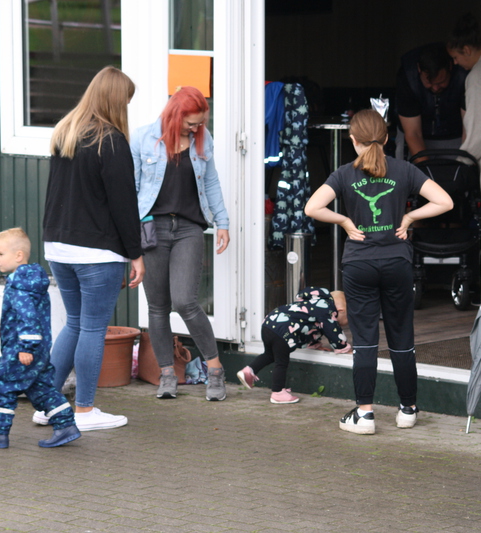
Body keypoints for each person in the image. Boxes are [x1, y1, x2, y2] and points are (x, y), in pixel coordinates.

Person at [304, 110, 453, 435]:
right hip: (397, 263)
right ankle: (407, 410)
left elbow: (312, 207)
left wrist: (345, 221)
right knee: (402, 337)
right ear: (386, 138)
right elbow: (445, 201)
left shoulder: (344, 174)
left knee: (366, 341)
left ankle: (365, 414)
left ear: (353, 140)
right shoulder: (404, 169)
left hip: (359, 265)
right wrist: (409, 218)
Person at [35, 66, 144, 432]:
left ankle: (47, 406)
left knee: (75, 323)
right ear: (116, 100)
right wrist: (136, 253)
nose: (126, 108)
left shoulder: (65, 133)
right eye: (126, 101)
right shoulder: (111, 141)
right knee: (93, 328)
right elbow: (124, 205)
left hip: (58, 247)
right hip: (97, 251)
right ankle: (83, 410)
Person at [131, 86, 230, 401]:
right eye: (191, 123)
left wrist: (222, 222)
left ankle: (215, 370)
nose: (196, 128)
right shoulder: (142, 138)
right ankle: (166, 374)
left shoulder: (203, 138)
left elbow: (210, 181)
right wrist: (129, 238)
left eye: (200, 123)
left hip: (188, 227)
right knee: (157, 306)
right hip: (152, 227)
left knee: (185, 301)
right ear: (174, 115)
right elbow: (132, 189)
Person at [0, 228, 80, 449]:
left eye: (0, 254)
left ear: (18, 255)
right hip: (37, 347)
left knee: (2, 385)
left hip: (21, 349)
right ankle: (66, 426)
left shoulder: (20, 284)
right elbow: (26, 315)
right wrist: (3, 326)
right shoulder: (29, 281)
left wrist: (26, 346)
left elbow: (29, 318)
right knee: (40, 388)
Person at [237, 287, 351, 404]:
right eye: (348, 318)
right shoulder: (328, 310)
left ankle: (249, 370)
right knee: (281, 362)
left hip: (268, 324)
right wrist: (343, 347)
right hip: (283, 330)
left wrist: (315, 345)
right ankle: (278, 392)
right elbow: (332, 331)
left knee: (269, 354)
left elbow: (311, 328)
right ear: (341, 310)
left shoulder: (313, 303)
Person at [394, 42, 468, 160]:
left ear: (450, 66)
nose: (435, 88)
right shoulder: (408, 76)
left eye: (441, 82)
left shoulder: (463, 73)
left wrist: (463, 165)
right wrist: (425, 168)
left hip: (456, 137)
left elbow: (468, 130)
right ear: (419, 69)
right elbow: (413, 133)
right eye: (429, 83)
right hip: (416, 136)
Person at [448, 12, 481, 182]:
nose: (455, 63)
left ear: (467, 50)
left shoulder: (476, 77)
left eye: (455, 57)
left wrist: (460, 164)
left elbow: (478, 132)